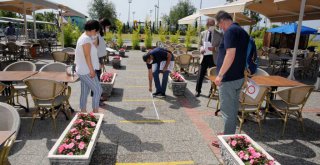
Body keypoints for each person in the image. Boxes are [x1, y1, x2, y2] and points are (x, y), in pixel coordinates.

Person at [214, 11, 249, 136]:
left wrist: (220, 75)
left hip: (228, 79)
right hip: (238, 76)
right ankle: (229, 134)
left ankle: (227, 140)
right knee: (233, 109)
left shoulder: (230, 31)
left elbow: (230, 54)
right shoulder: (242, 31)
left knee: (227, 110)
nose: (221, 28)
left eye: (219, 25)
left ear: (222, 21)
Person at [75, 20, 103, 113]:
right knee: (98, 90)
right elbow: (87, 56)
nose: (97, 33)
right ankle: (95, 113)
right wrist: (92, 70)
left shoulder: (86, 37)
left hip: (82, 70)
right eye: (97, 31)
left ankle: (83, 112)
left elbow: (93, 48)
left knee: (85, 92)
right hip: (86, 71)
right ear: (94, 30)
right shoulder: (86, 39)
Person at [195, 18, 223, 97]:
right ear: (207, 25)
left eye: (213, 24)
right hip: (204, 57)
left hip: (213, 57)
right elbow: (199, 44)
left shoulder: (219, 34)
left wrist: (215, 49)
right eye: (210, 25)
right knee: (200, 74)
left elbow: (222, 47)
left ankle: (212, 92)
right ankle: (198, 91)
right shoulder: (203, 33)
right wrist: (201, 49)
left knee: (213, 75)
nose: (212, 26)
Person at [90, 18, 111, 103]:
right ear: (104, 26)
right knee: (96, 79)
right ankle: (97, 99)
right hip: (97, 59)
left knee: (97, 78)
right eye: (107, 27)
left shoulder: (99, 34)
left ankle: (97, 96)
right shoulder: (96, 35)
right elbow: (95, 49)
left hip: (99, 58)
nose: (108, 29)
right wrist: (99, 61)